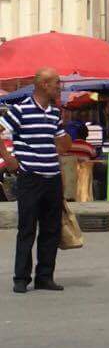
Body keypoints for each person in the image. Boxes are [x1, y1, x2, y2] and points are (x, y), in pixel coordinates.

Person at [0, 67, 72, 293]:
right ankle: (21, 278)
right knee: (27, 228)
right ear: (43, 84)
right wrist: (9, 159)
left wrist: (64, 130)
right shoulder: (20, 110)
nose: (59, 87)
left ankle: (45, 276)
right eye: (56, 83)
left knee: (51, 229)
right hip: (30, 177)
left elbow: (63, 145)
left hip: (52, 177)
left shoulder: (54, 113)